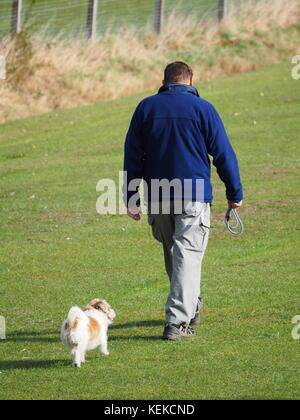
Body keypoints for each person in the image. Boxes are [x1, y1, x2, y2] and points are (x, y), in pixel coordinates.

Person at [123, 61, 243, 340]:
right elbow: (223, 153)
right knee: (186, 255)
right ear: (191, 81)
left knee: (175, 253)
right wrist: (234, 192)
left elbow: (132, 155)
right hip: (193, 193)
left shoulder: (146, 108)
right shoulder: (204, 109)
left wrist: (131, 196)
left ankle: (191, 303)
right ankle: (177, 323)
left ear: (164, 81)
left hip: (159, 193)